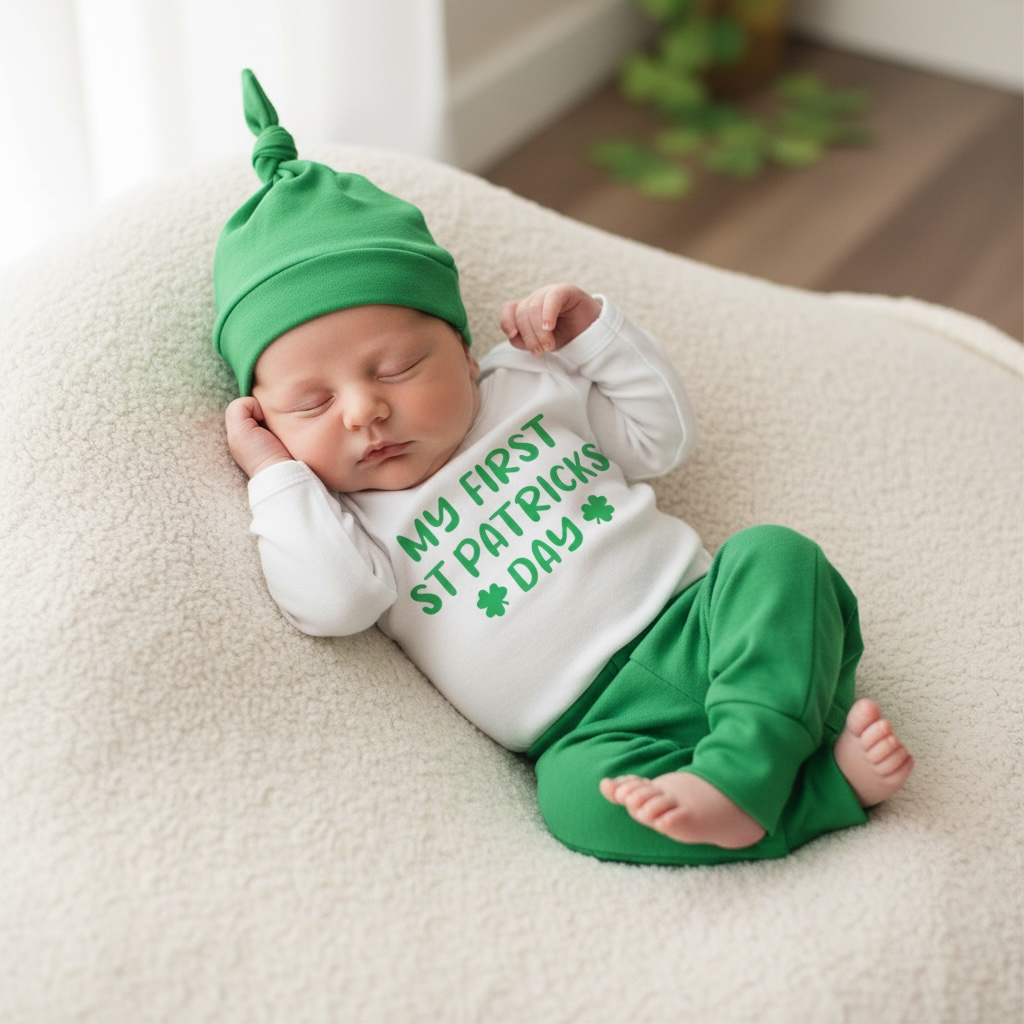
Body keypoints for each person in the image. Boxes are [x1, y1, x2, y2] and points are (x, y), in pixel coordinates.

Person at [215, 70, 913, 866]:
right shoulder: (344, 520)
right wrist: (274, 473)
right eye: (310, 406)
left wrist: (594, 336)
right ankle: (821, 793)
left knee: (776, 556)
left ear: (464, 350)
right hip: (588, 729)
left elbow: (661, 440)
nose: (363, 412)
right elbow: (334, 604)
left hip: (705, 627)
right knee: (573, 803)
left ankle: (746, 764)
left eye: (399, 368)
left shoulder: (527, 385)